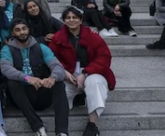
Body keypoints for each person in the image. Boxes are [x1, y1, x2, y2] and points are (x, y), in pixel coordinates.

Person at [50, 7, 116, 136]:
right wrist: (63, 72)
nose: (71, 20)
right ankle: (78, 98)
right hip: (68, 74)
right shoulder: (57, 38)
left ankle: (92, 125)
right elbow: (52, 58)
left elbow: (104, 57)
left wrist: (85, 73)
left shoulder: (93, 37)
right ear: (64, 20)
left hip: (90, 72)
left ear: (80, 20)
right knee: (61, 95)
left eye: (75, 17)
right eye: (68, 18)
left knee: (95, 83)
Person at [0, 19, 69, 136]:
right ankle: (38, 127)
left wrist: (52, 78)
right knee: (12, 83)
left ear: (28, 30)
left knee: (59, 83)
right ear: (12, 33)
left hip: (41, 93)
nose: (21, 32)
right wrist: (27, 78)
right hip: (22, 97)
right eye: (17, 30)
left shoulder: (41, 47)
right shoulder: (7, 49)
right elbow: (6, 69)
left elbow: (57, 66)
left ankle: (62, 132)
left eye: (24, 29)